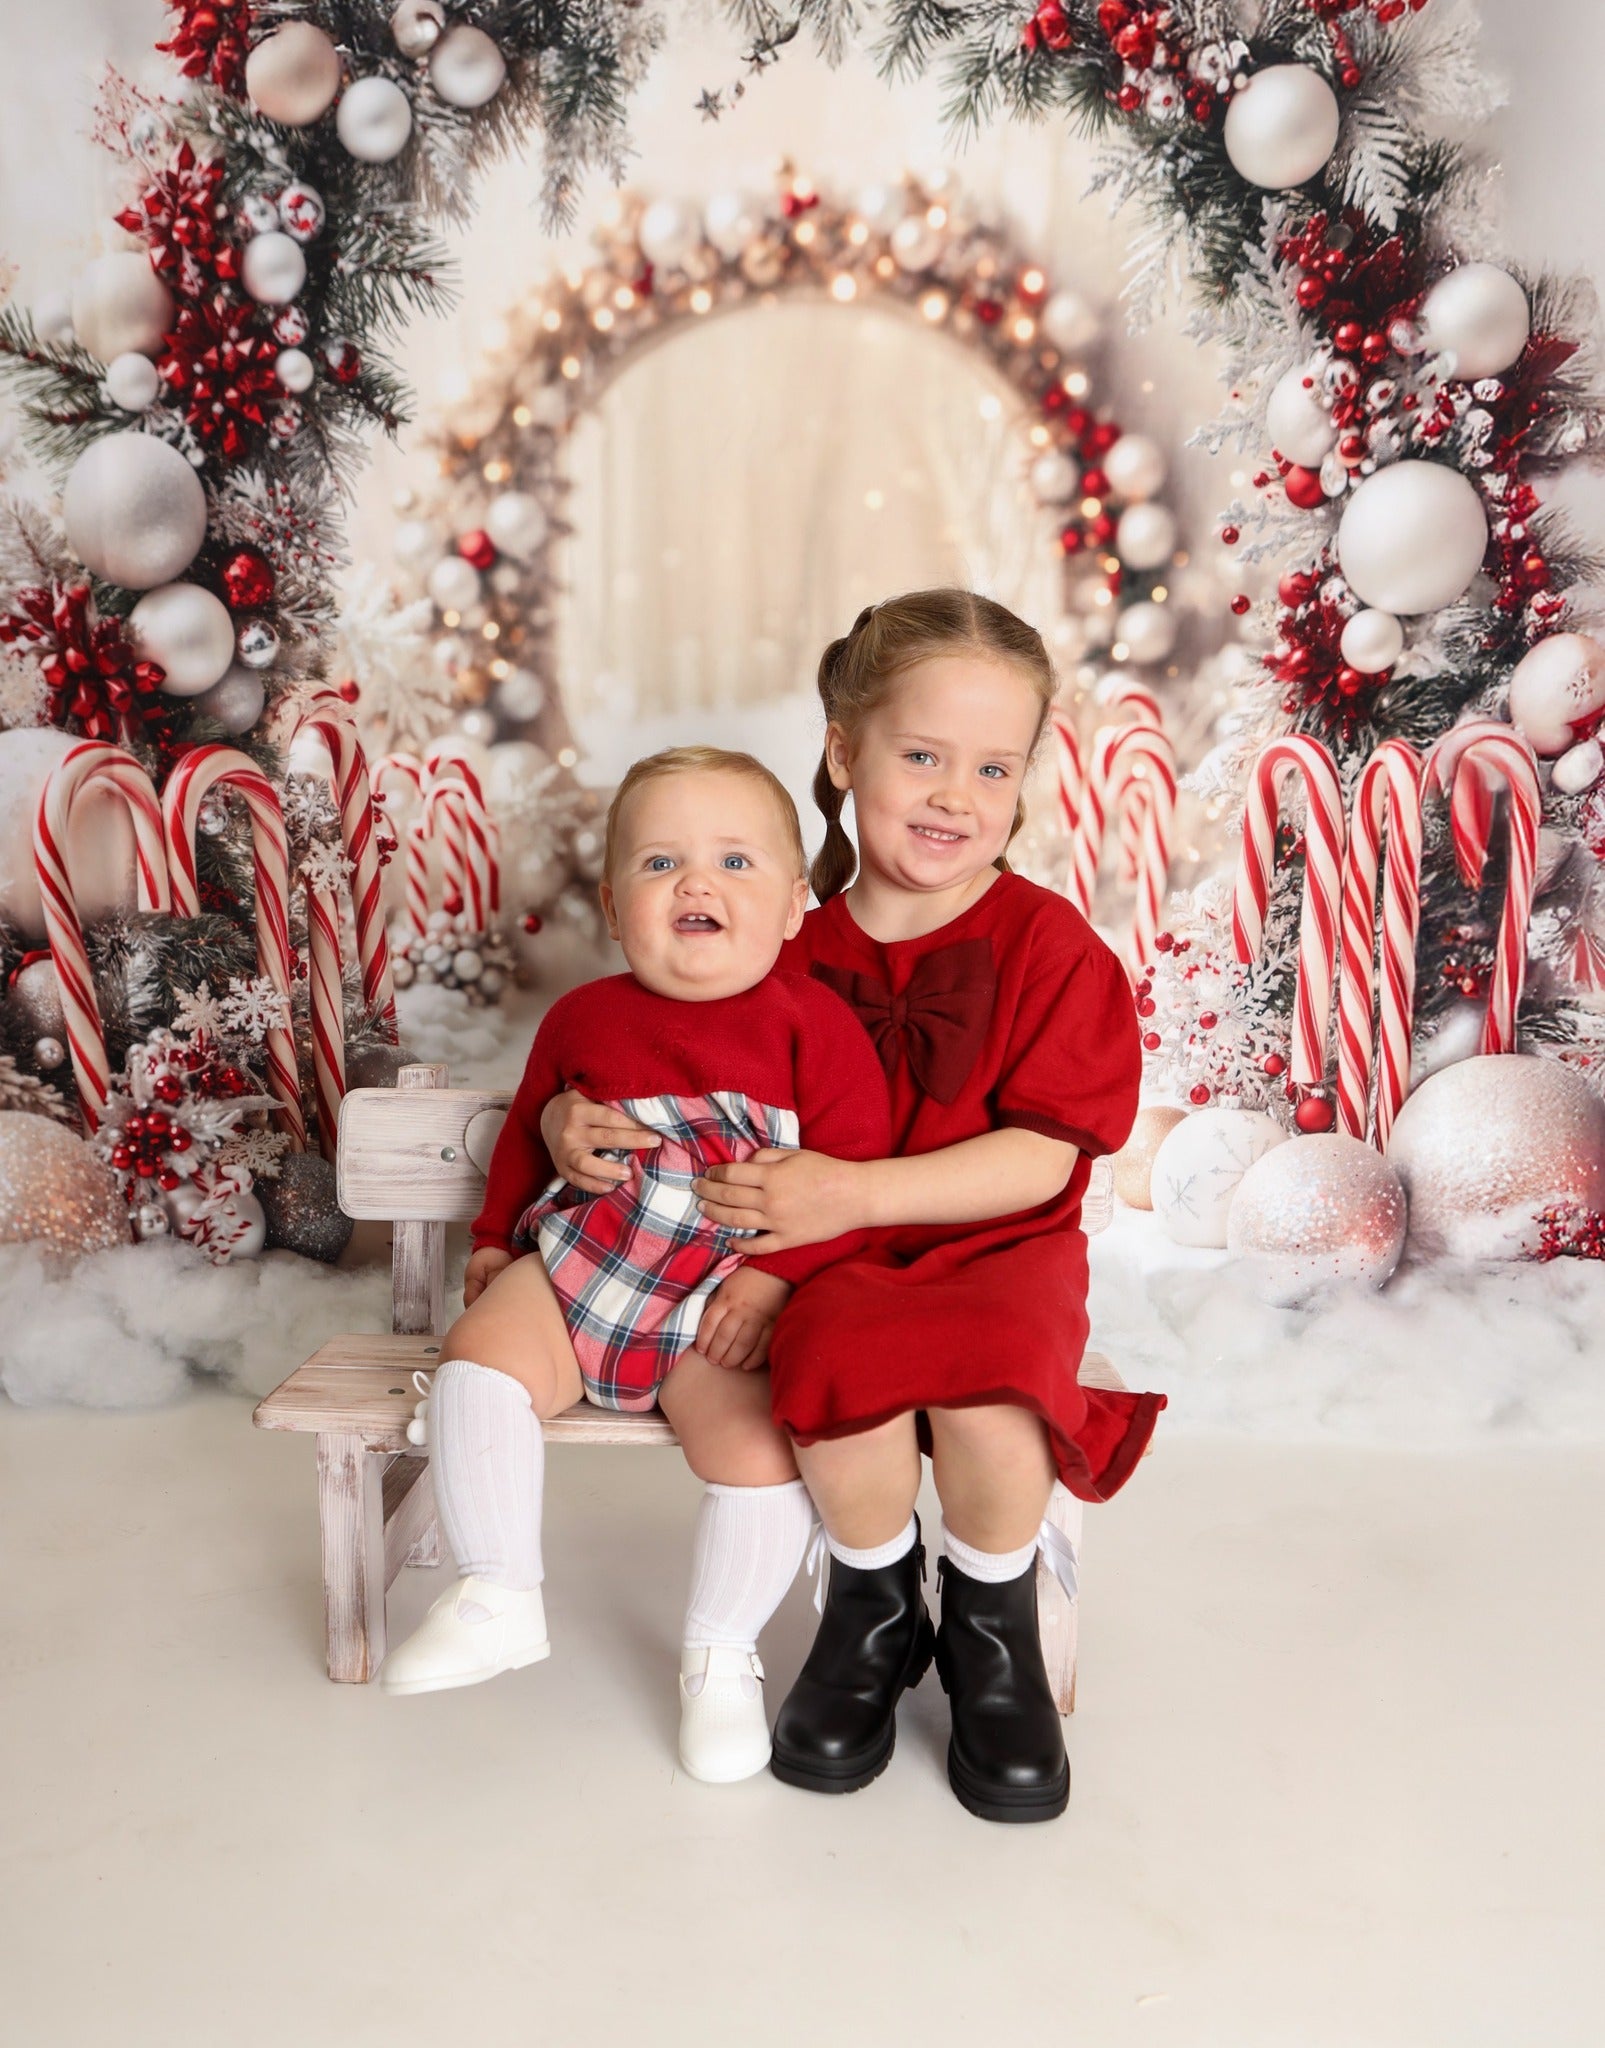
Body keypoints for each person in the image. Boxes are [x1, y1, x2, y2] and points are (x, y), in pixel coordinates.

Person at [691, 590, 1166, 1824]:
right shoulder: (781, 955)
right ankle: (874, 1603)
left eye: (992, 766)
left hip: (1003, 1251)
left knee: (997, 1398)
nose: (956, 793)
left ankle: (991, 1626)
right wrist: (581, 1121)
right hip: (841, 1258)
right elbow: (712, 1102)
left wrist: (855, 1184)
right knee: (838, 1377)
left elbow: (1045, 1163)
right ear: (845, 750)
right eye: (922, 755)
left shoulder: (1052, 949)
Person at [381, 747, 890, 1789]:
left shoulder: (816, 1029)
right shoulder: (585, 1019)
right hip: (589, 1263)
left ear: (798, 903)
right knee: (479, 1353)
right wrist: (490, 1236)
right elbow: (527, 1131)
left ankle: (719, 1653)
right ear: (616, 905)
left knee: (758, 1447)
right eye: (662, 862)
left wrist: (777, 1280)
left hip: (721, 1291)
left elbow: (856, 1182)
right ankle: (497, 1590)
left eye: (736, 862)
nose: (696, 883)